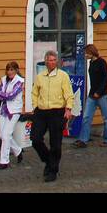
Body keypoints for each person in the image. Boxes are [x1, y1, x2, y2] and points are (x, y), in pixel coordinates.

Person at [30, 49, 75, 182]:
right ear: (46, 62)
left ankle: (53, 170)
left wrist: (68, 109)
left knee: (55, 143)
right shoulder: (40, 76)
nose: (52, 62)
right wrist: (35, 106)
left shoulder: (63, 76)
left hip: (57, 111)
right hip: (42, 111)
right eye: (50, 60)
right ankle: (48, 160)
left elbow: (69, 93)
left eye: (55, 60)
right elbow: (34, 92)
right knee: (35, 139)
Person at [77, 44, 107, 147]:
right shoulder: (91, 63)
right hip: (92, 95)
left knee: (106, 118)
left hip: (102, 95)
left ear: (91, 52)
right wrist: (93, 93)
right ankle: (83, 140)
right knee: (86, 117)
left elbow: (105, 78)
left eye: (86, 53)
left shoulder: (102, 62)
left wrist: (99, 92)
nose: (85, 55)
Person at [0, 61, 26, 169]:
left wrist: (2, 95)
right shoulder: (3, 80)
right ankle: (18, 150)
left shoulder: (20, 81)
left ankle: (4, 161)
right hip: (3, 110)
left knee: (6, 135)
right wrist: (3, 95)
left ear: (16, 70)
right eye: (8, 70)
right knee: (3, 135)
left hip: (14, 111)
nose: (9, 72)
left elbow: (11, 95)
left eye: (12, 70)